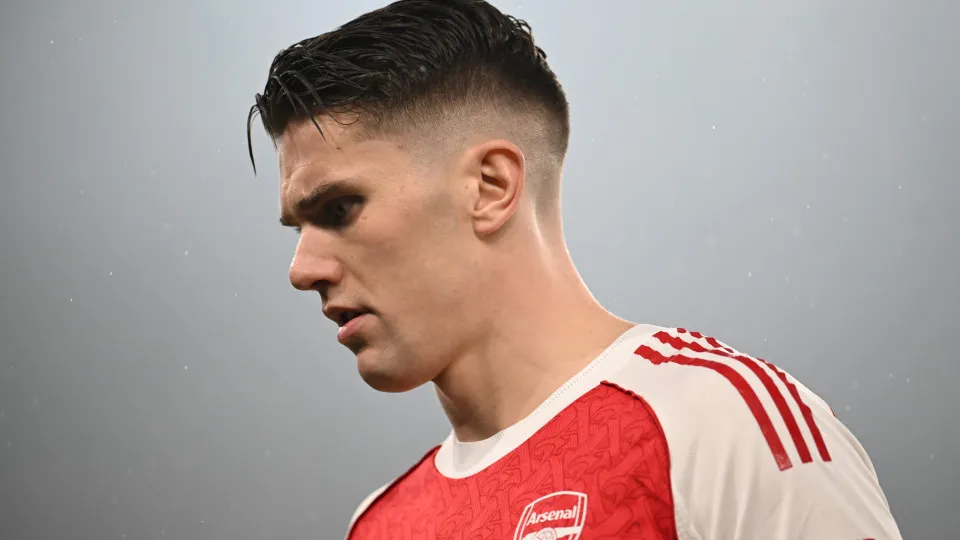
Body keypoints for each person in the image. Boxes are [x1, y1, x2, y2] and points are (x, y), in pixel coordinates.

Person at [246, 1, 902, 538]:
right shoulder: (380, 526)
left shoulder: (720, 427)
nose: (303, 269)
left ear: (490, 187)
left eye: (339, 208)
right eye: (298, 228)